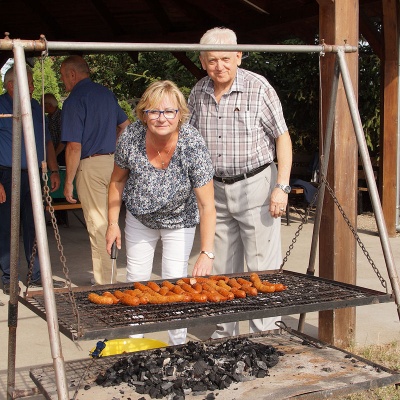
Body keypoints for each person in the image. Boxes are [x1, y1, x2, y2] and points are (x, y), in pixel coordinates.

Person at [188, 27, 293, 339]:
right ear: (203, 61)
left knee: (261, 267)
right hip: (214, 191)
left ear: (238, 56)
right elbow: (189, 140)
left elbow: (282, 137)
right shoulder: (198, 91)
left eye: (225, 59)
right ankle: (226, 335)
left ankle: (265, 334)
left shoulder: (258, 88)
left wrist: (282, 185)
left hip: (257, 185)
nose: (219, 66)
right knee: (221, 267)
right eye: (211, 60)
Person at [106, 80, 216, 345]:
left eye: (169, 111)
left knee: (175, 283)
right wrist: (112, 223)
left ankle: (177, 345)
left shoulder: (192, 143)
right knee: (136, 281)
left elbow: (207, 204)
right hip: (139, 217)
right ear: (144, 114)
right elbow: (117, 181)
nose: (161, 118)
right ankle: (134, 342)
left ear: (180, 114)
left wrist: (207, 251)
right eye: (153, 111)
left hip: (179, 220)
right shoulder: (131, 137)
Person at [60, 55, 130, 285]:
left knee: (99, 225)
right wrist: (114, 147)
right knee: (110, 220)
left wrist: (68, 180)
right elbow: (125, 125)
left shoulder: (73, 100)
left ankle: (106, 283)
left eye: (62, 76)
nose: (63, 82)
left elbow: (73, 146)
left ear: (72, 74)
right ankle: (108, 277)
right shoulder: (106, 94)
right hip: (113, 163)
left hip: (90, 164)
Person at [0, 65, 65, 295]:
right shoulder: (1, 106)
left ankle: (35, 275)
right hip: (7, 173)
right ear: (10, 86)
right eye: (28, 83)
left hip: (35, 174)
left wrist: (54, 170)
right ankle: (8, 276)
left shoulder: (36, 107)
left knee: (35, 224)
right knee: (8, 226)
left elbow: (47, 141)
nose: (33, 87)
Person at [42, 93, 68, 226]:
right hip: (53, 153)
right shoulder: (48, 118)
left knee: (61, 181)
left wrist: (54, 154)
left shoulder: (61, 117)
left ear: (49, 105)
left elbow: (64, 140)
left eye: (43, 104)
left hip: (62, 154)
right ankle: (56, 217)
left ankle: (62, 218)